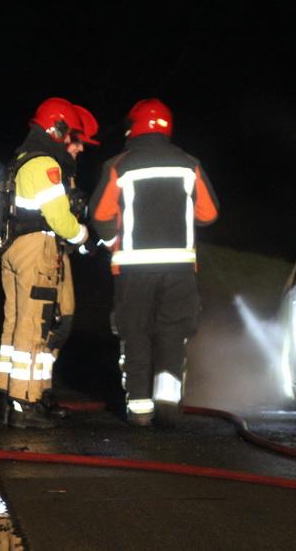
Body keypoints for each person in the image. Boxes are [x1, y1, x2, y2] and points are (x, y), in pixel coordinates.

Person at [90, 98, 218, 427]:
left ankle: (139, 411)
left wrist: (112, 242)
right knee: (172, 334)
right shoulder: (189, 164)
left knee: (135, 335)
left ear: (133, 128)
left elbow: (101, 215)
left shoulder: (118, 165)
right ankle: (168, 405)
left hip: (133, 269)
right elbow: (208, 214)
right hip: (179, 269)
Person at [0, 97, 90, 428]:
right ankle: (25, 404)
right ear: (58, 130)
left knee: (16, 323)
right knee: (35, 324)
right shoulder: (45, 164)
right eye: (72, 136)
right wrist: (81, 234)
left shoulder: (22, 158)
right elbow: (59, 219)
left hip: (14, 248)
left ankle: (12, 398)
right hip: (36, 250)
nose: (75, 145)